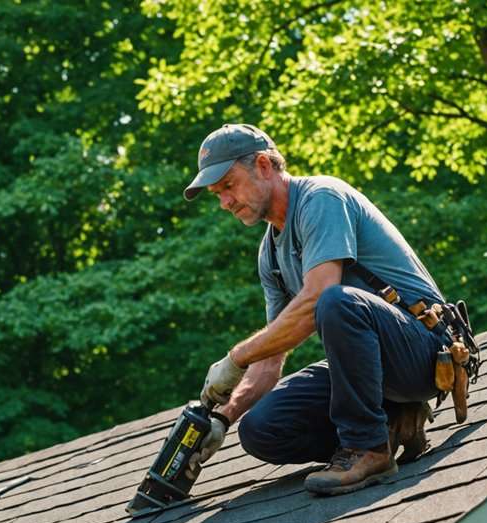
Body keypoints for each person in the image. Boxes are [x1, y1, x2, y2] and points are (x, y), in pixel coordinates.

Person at [187, 124, 455, 496]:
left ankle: (368, 448)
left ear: (263, 165)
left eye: (229, 186)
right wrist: (223, 416)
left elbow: (319, 297)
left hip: (424, 350)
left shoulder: (321, 198)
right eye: (217, 194)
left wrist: (235, 358)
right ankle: (393, 424)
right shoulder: (270, 256)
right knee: (260, 430)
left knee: (336, 300)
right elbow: (270, 357)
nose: (224, 203)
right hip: (368, 368)